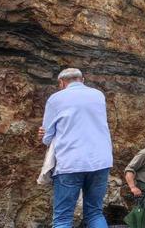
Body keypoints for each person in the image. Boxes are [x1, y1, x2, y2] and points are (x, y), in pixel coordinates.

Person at [38, 68, 113, 228]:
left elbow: (47, 137)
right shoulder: (98, 95)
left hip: (70, 162)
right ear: (82, 80)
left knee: (63, 218)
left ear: (61, 83)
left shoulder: (55, 99)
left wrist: (44, 135)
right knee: (94, 213)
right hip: (100, 162)